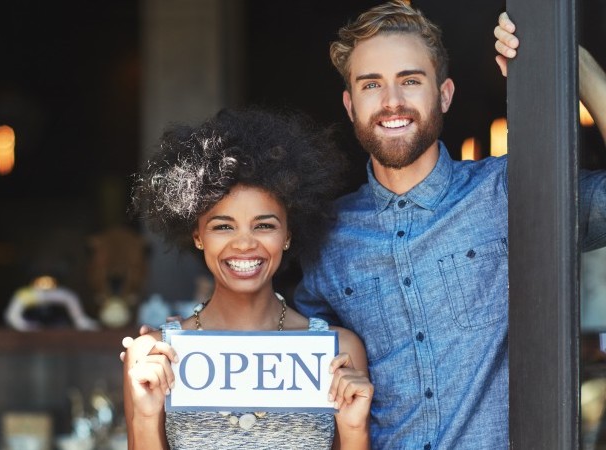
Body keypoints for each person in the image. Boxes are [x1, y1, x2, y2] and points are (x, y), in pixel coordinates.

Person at [294, 1, 606, 449]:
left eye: (410, 80)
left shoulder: (511, 192)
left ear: (444, 94)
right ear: (350, 104)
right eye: (371, 85)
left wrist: (568, 57)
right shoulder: (326, 236)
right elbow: (292, 356)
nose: (392, 102)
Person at [123, 108, 374, 449]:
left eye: (265, 225)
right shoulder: (154, 356)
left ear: (288, 234)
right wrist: (147, 417)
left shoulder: (337, 353)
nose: (244, 243)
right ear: (197, 235)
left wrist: (355, 430)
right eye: (223, 226)